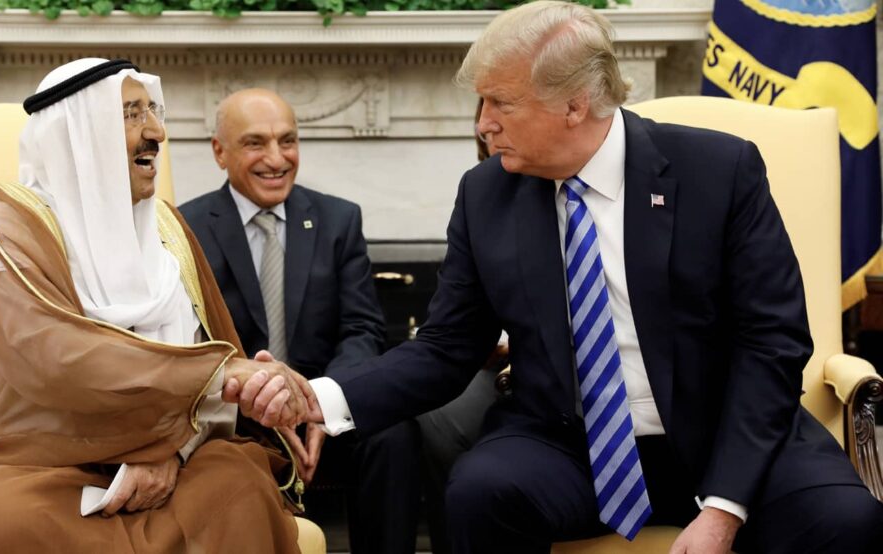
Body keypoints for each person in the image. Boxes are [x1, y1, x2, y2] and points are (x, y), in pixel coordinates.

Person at [265, 2, 883, 553]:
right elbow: (449, 346)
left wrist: (723, 508)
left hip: (726, 433)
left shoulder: (718, 171)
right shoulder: (487, 195)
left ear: (574, 104)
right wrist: (318, 398)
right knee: (480, 492)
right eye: (480, 103)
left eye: (499, 103)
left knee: (846, 520)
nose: (482, 124)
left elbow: (772, 343)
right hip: (573, 444)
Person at [0, 58, 312, 553]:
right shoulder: (12, 225)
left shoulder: (166, 228)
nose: (156, 132)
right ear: (78, 135)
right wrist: (221, 374)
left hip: (174, 458)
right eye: (131, 115)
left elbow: (207, 360)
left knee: (238, 487)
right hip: (43, 463)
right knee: (4, 523)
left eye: (153, 112)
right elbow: (52, 358)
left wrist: (175, 450)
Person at [179, 88, 421, 554]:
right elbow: (191, 346)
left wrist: (320, 405)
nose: (277, 158)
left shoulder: (337, 220)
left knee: (394, 435)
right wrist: (266, 404)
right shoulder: (187, 227)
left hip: (324, 409)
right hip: (237, 419)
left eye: (287, 141)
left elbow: (362, 329)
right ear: (219, 152)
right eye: (255, 143)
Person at [415, 97, 505, 554]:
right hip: (492, 365)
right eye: (482, 125)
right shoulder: (478, 195)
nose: (489, 128)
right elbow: (453, 324)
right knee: (437, 415)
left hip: (567, 375)